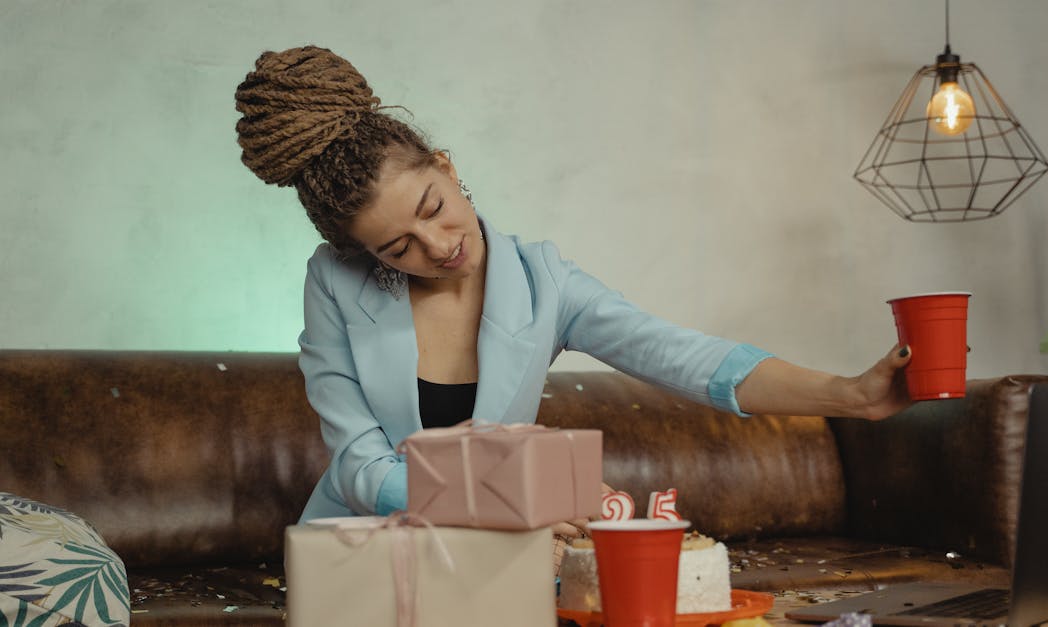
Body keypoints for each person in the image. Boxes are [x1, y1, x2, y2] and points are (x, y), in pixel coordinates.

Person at [234, 46, 912, 546]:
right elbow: (360, 465)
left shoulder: (543, 282)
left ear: (447, 167)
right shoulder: (333, 281)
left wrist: (850, 395)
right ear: (364, 254)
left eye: (434, 208)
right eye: (397, 248)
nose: (436, 245)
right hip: (357, 551)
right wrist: (503, 499)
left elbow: (688, 359)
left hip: (487, 554)